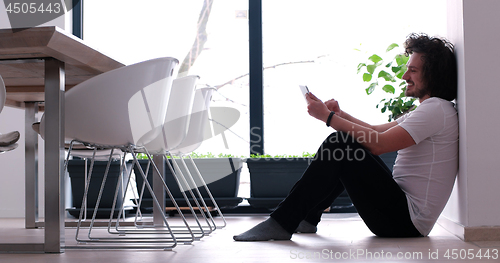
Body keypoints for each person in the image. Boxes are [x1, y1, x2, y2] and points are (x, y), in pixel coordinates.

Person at [233, 33, 458, 241]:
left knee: (341, 143)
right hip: (401, 215)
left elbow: (379, 144)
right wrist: (341, 115)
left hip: (405, 221)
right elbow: (377, 131)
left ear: (432, 75)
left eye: (413, 71)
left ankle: (283, 222)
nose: (404, 76)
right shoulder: (433, 109)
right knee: (346, 142)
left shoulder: (435, 110)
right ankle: (306, 218)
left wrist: (329, 118)